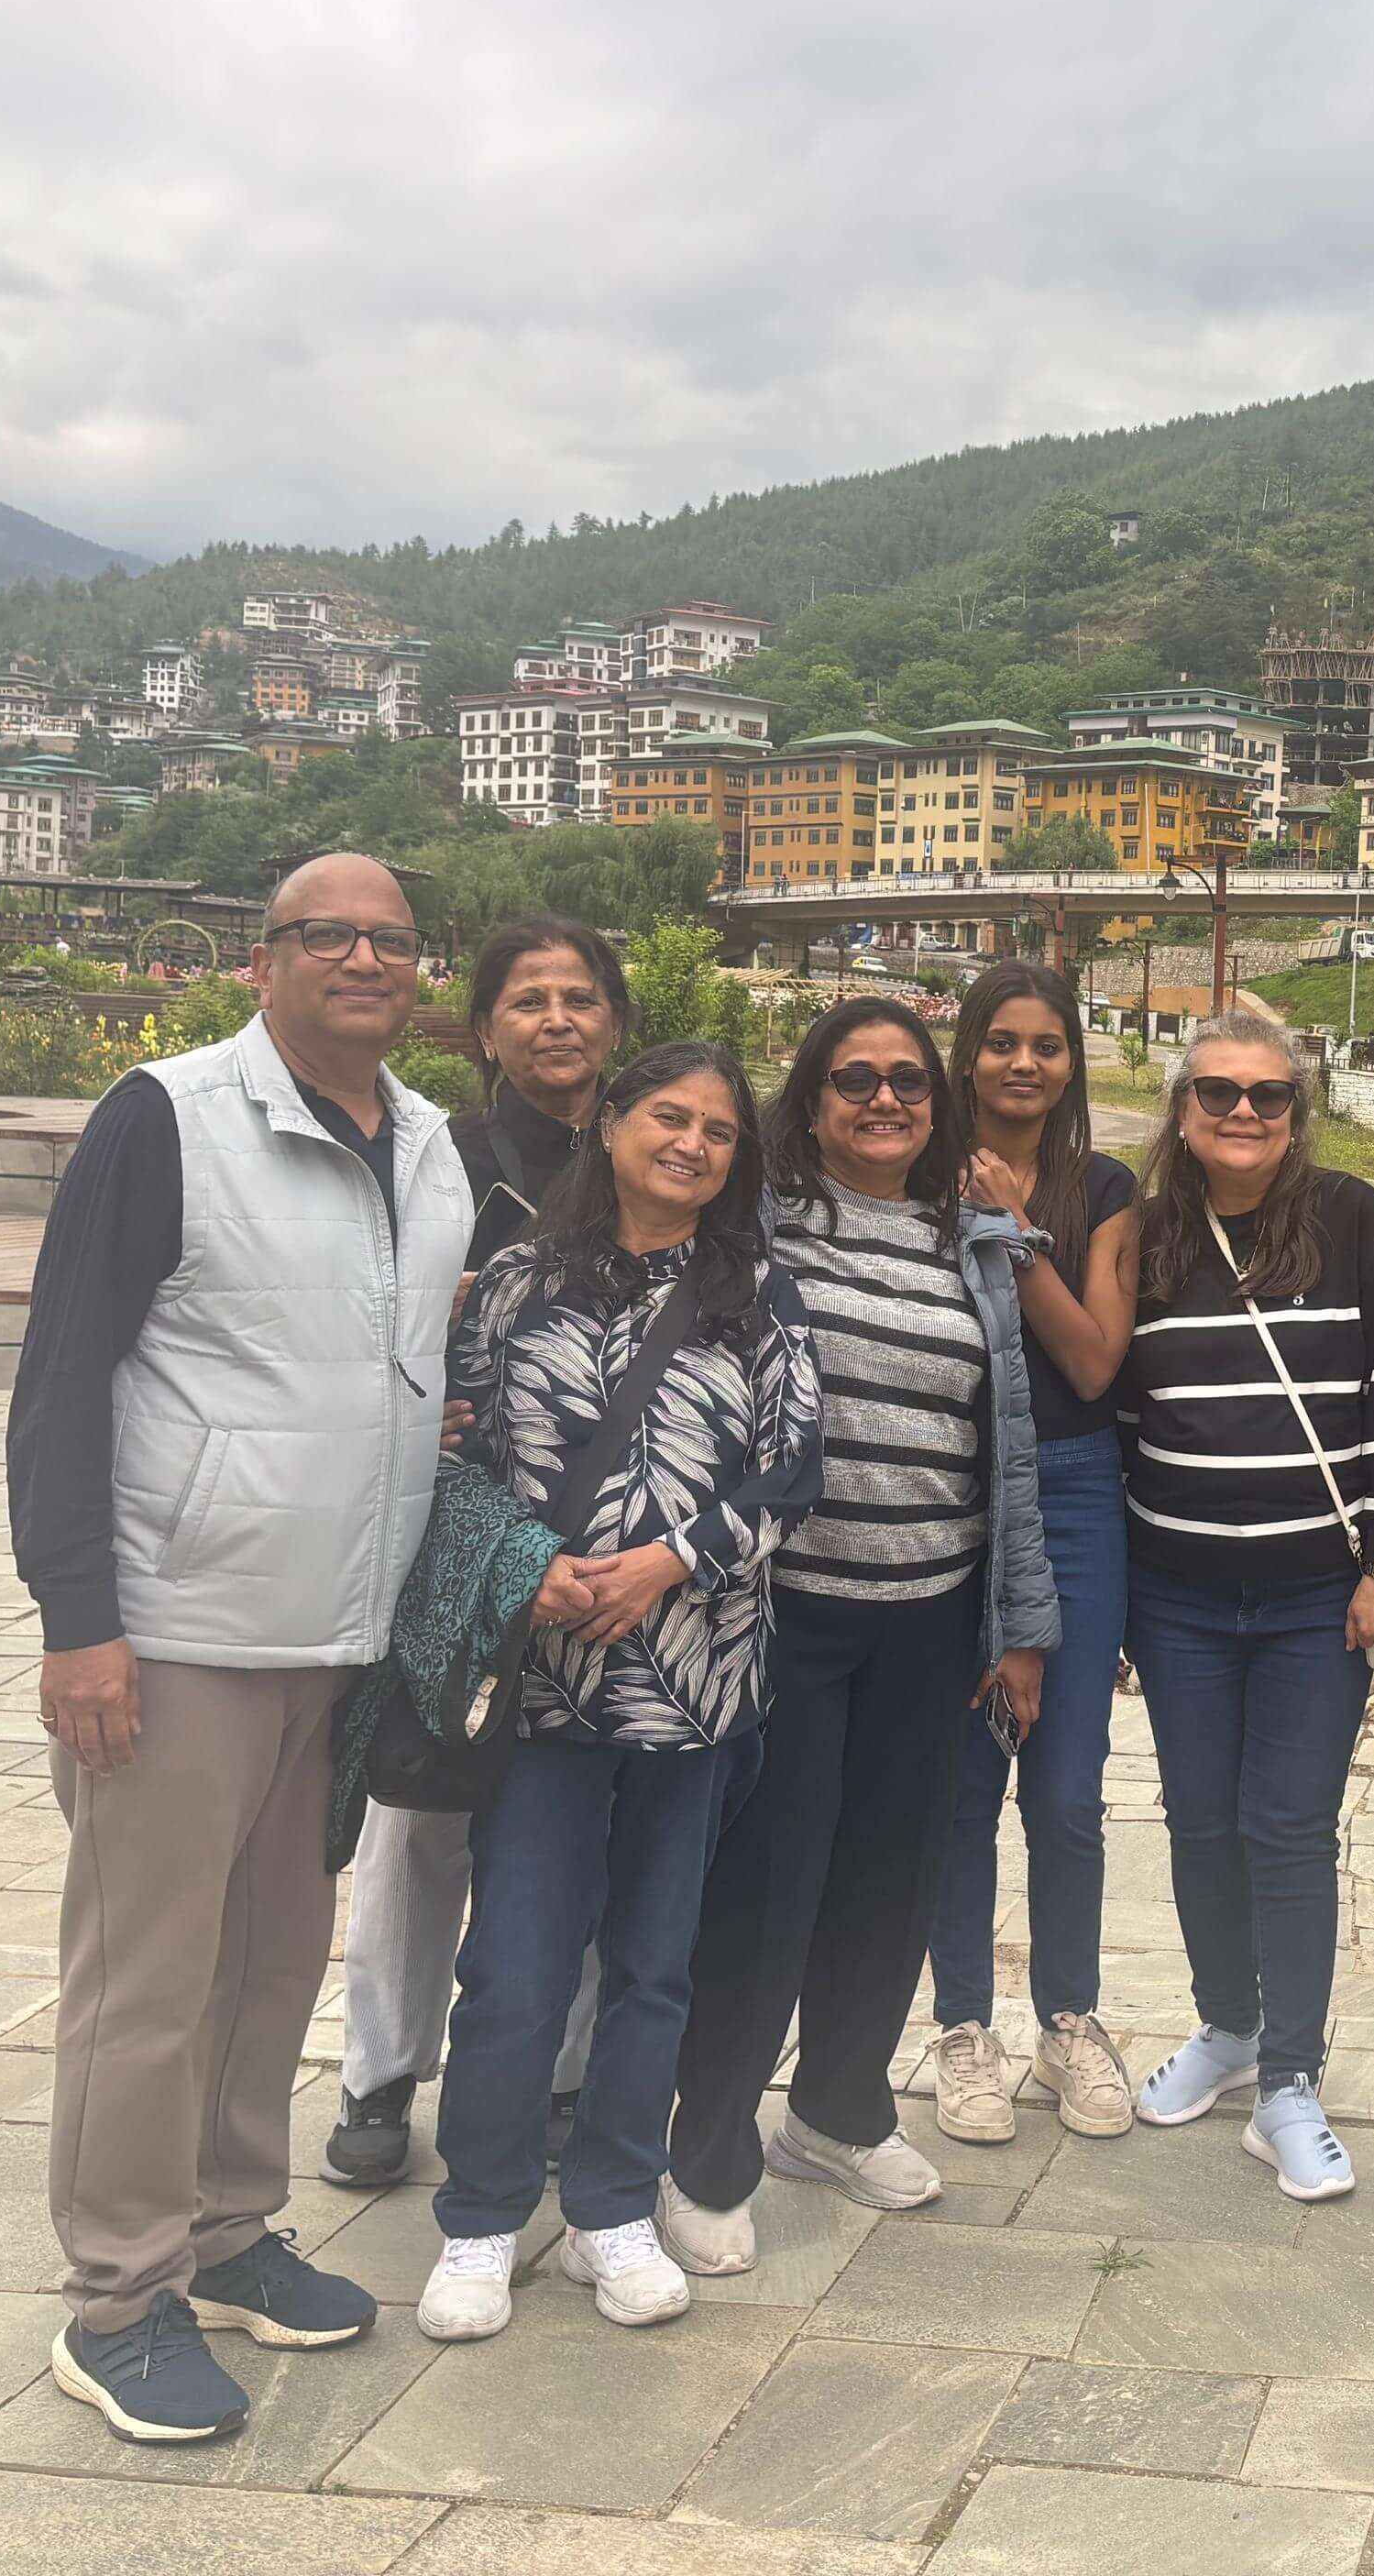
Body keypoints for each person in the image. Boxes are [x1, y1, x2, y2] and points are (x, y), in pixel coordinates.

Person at [8, 854, 472, 2443]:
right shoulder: (167, 1117)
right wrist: (80, 1621)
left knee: (274, 1958)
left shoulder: (429, 1143)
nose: (365, 957)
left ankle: (226, 2229)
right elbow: (63, 1372)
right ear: (261, 963)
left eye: (392, 938)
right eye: (327, 934)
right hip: (180, 1636)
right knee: (146, 1980)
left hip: (335, 1636)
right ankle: (118, 2295)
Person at [417, 1043, 819, 2343]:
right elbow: (451, 1453)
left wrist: (668, 1562)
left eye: (719, 1131)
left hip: (694, 1683)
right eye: (669, 1117)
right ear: (611, 1123)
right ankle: (482, 2217)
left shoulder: (758, 1291)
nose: (693, 1144)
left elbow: (793, 1472)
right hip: (540, 1682)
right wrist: (526, 1567)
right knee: (516, 1965)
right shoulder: (520, 1280)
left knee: (654, 1966)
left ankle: (612, 2206)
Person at [660, 997, 1059, 2268]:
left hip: (932, 1613)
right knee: (768, 1884)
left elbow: (1006, 1444)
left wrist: (1019, 1624)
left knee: (893, 1877)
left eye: (907, 1080)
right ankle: (706, 2151)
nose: (884, 1100)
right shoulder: (758, 1227)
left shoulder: (972, 1243)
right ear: (813, 1100)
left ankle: (837, 2111)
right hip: (787, 1609)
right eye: (855, 1080)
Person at [333, 912, 631, 2191]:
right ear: (486, 1031)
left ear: (614, 1021)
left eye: (580, 998)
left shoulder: (650, 1146)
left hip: (607, 1535)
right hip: (458, 1518)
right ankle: (380, 2069)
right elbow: (362, 1316)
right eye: (528, 1001)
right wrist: (414, 1394)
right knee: (424, 1806)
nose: (557, 1020)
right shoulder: (436, 1160)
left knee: (585, 1806)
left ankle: (561, 2073)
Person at [1119, 1018, 1374, 2201]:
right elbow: (1123, 1414)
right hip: (1178, 1591)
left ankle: (1292, 2078)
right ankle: (1229, 2027)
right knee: (1199, 1821)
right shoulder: (1146, 1235)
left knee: (1288, 1828)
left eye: (1269, 1095)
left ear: (1298, 1112)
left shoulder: (1351, 1221)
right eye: (1217, 1092)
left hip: (1311, 1597)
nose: (1243, 1113)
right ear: (1181, 1107)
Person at [925, 963, 1144, 2148]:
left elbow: (1097, 1362)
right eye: (1002, 1042)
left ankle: (1069, 2017)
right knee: (962, 1781)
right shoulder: (916, 1173)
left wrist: (1014, 1236)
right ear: (967, 1054)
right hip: (947, 1491)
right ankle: (963, 2025)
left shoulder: (1103, 1188)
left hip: (1073, 1491)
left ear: (1071, 1063)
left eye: (1047, 1045)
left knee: (1064, 1786)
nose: (1023, 1063)